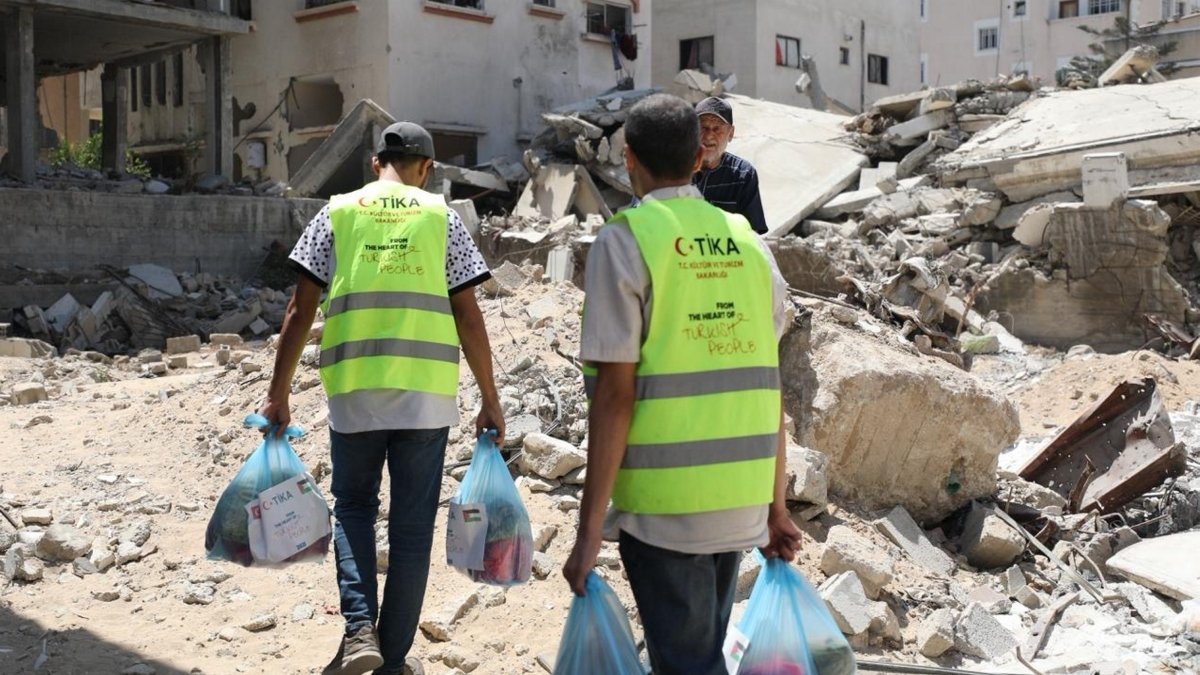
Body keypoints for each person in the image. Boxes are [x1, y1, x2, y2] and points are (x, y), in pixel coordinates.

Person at [562, 93, 802, 675]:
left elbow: (617, 395)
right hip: (739, 500)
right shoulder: (748, 244)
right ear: (700, 158)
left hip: (665, 510)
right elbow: (764, 382)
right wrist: (774, 505)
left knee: (688, 664)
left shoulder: (624, 241)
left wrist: (589, 530)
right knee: (699, 656)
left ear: (628, 159)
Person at [261, 121, 505, 675]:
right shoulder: (442, 217)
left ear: (376, 164)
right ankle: (392, 660)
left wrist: (278, 394)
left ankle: (357, 633)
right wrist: (490, 398)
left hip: (355, 392)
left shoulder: (337, 212)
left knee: (353, 510)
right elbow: (469, 314)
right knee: (413, 525)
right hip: (425, 396)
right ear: (426, 169)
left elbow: (300, 311)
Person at [691, 96, 768, 235]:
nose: (709, 136)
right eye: (703, 127)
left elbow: (752, 233)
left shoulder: (743, 174)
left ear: (731, 133)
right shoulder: (675, 169)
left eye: (717, 129)